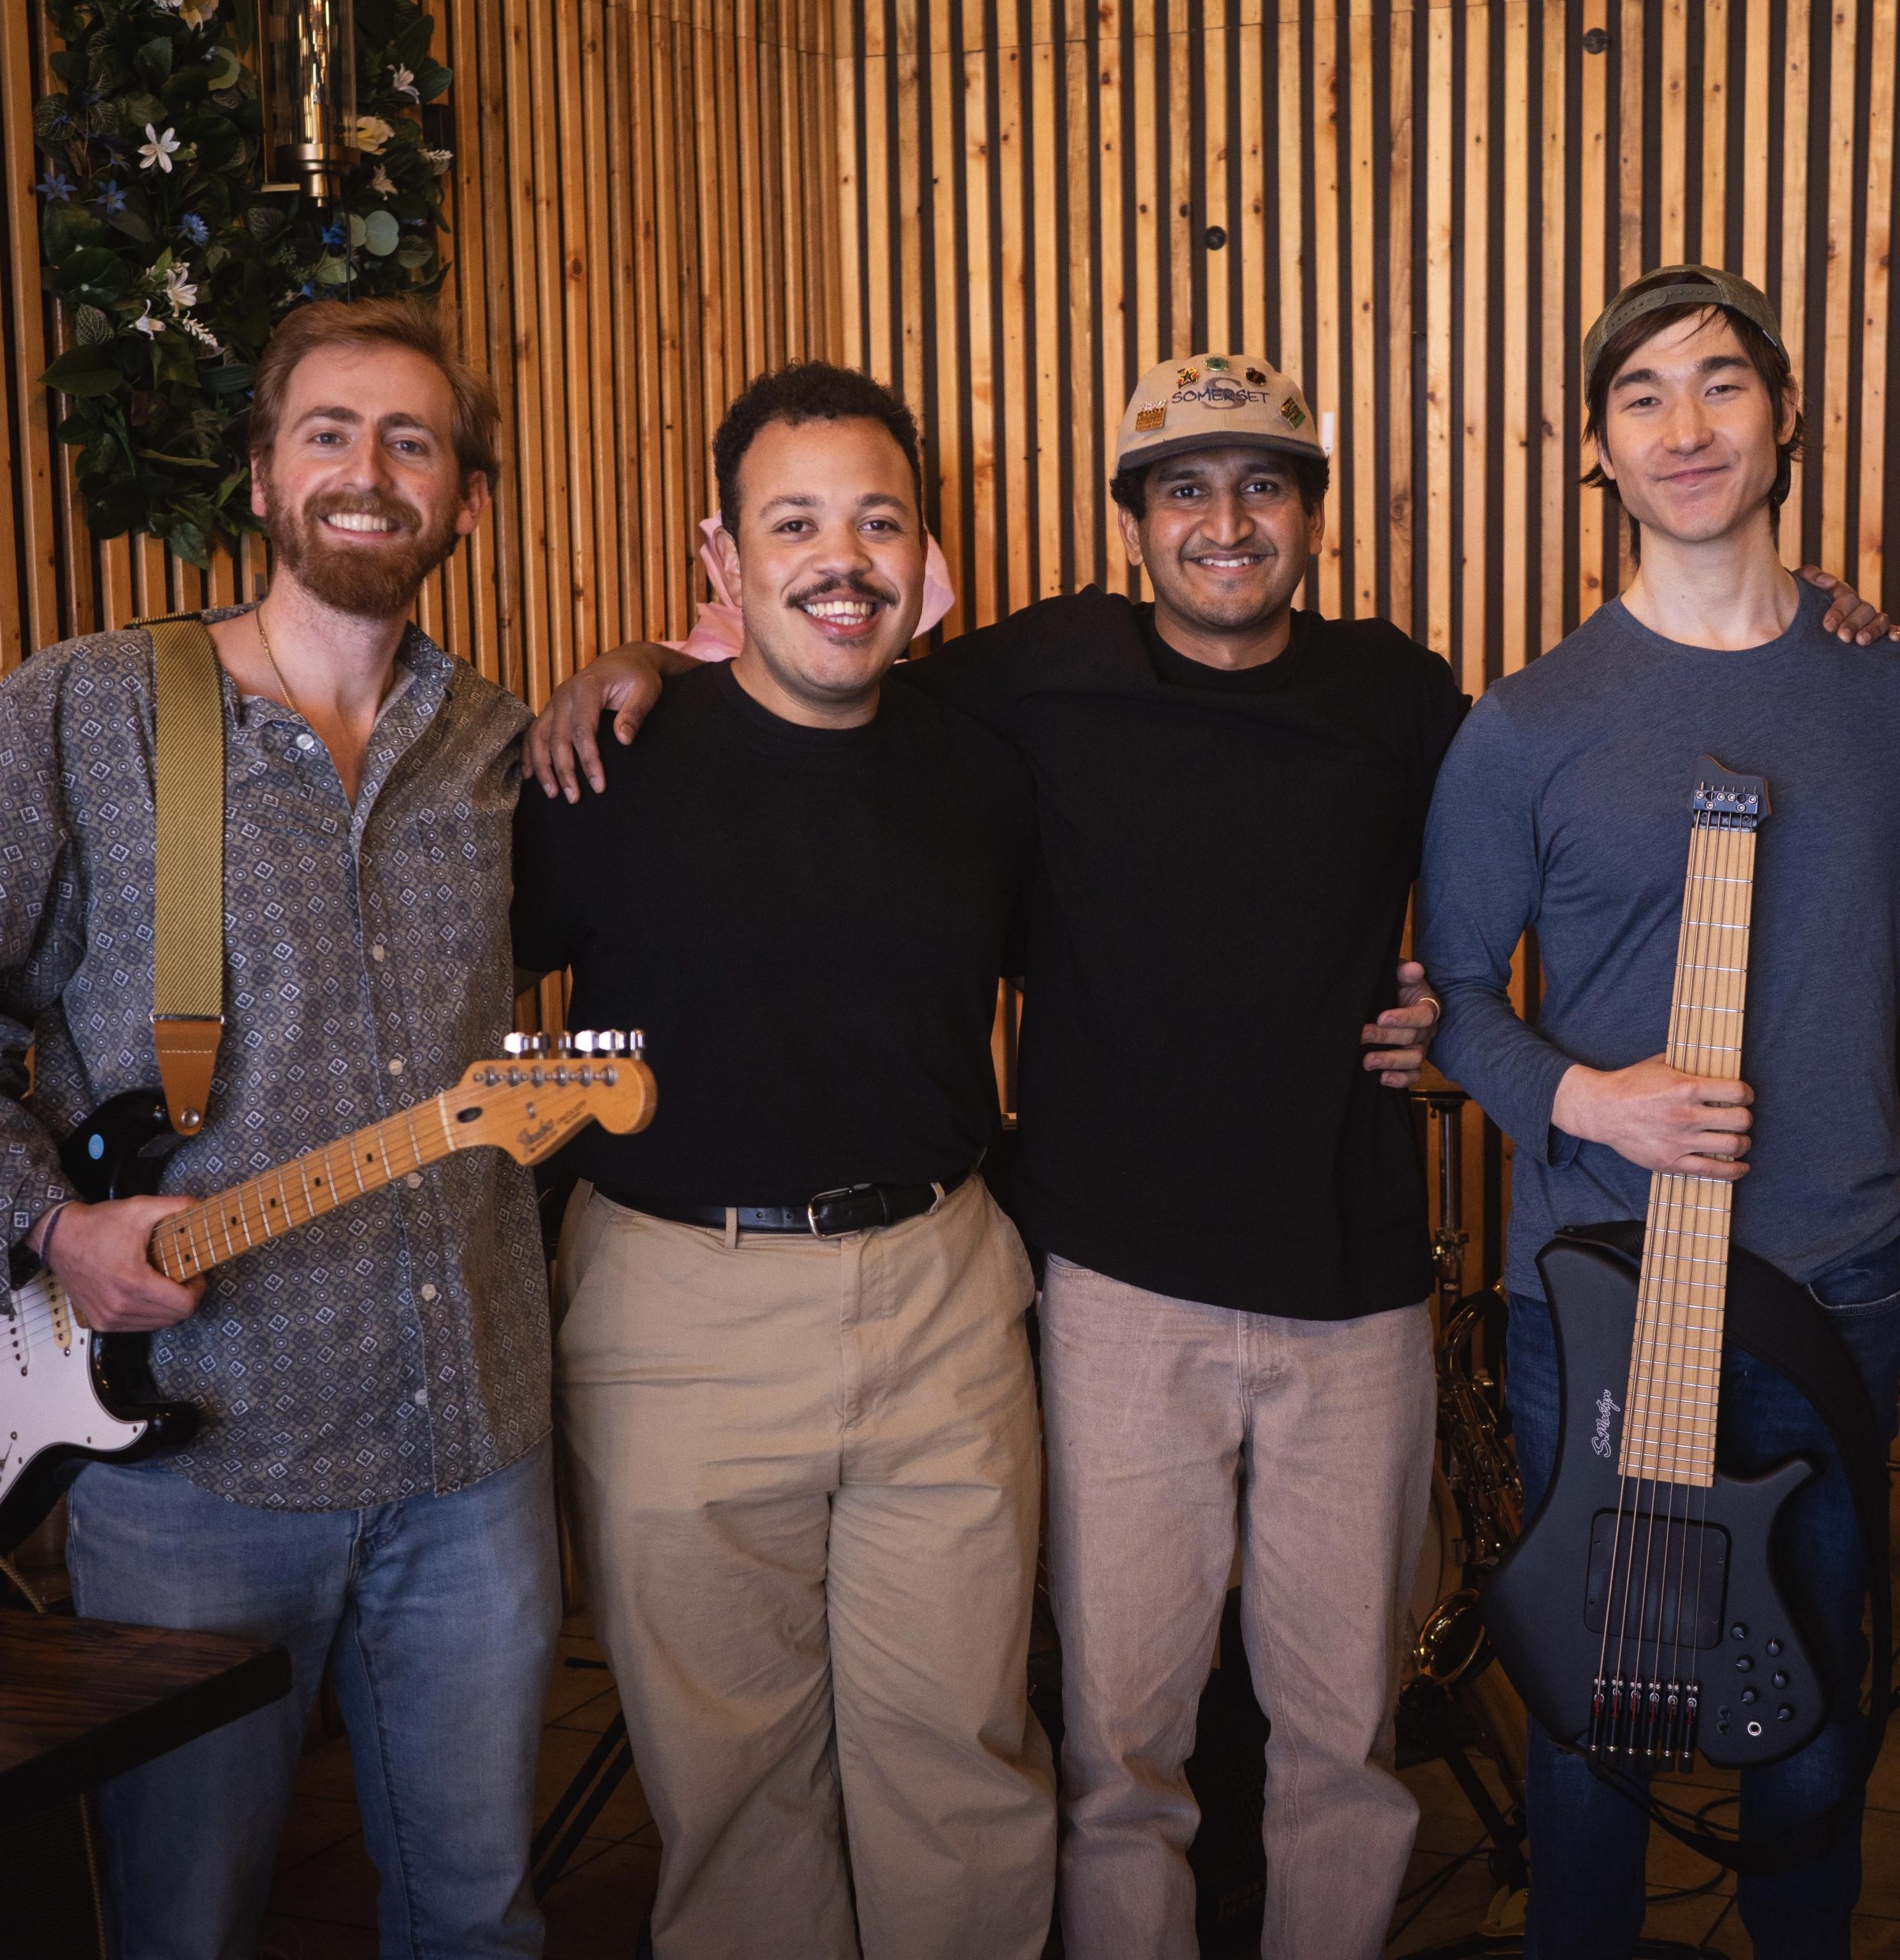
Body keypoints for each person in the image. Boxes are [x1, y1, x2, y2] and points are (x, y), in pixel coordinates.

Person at [528, 355, 1889, 1959]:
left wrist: (1817, 650)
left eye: (1261, 483)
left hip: (1355, 1287)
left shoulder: (1401, 694)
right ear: (1129, 521)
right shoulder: (1025, 676)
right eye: (1180, 486)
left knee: (1339, 1746)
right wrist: (641, 658)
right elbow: (822, 662)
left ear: (1313, 511)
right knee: (1118, 1756)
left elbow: (1559, 844)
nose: (1222, 520)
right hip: (1108, 1285)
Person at [0, 299, 559, 1958]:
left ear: (465, 494)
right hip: (193, 1465)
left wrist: (652, 673)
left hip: (474, 1452)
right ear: (262, 473)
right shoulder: (84, 711)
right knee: (186, 1926)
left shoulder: (502, 745)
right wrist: (46, 1223)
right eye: (329, 430)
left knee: (481, 1917)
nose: (369, 470)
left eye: (414, 440)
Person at [511, 363, 1055, 1960]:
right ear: (720, 555)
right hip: (678, 1304)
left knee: (960, 1761)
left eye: (877, 521)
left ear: (927, 560)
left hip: (943, 1292)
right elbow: (440, 1002)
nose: (841, 558)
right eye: (795, 521)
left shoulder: (985, 767)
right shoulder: (600, 764)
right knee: (734, 1786)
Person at [1418, 265, 1900, 1959]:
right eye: (1638, 396)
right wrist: (1587, 1095)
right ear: (1597, 451)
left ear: (1781, 417)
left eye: (1716, 385)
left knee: (1816, 1719)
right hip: (1601, 1305)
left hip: (1842, 1284)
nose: (1682, 427)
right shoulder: (1522, 725)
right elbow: (1454, 1000)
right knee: (1591, 1723)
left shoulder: (1879, 684)